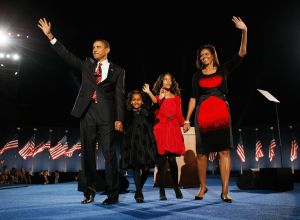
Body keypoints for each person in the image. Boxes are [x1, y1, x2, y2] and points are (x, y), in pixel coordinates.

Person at [38, 18, 125, 205]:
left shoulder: (118, 71)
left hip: (107, 117)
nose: (94, 49)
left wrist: (119, 118)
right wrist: (50, 36)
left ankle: (113, 194)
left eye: (98, 47)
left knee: (109, 155)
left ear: (107, 49)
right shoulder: (86, 65)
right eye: (93, 47)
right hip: (87, 115)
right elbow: (67, 55)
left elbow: (120, 96)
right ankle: (89, 192)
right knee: (87, 155)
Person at [183, 16, 247, 203]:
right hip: (203, 115)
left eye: (206, 54)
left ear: (213, 55)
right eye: (201, 55)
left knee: (224, 152)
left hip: (221, 114)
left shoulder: (223, 69)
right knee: (202, 153)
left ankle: (225, 191)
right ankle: (203, 187)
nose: (203, 57)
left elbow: (242, 53)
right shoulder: (196, 76)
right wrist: (187, 119)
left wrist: (244, 31)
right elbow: (193, 98)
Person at [143, 72, 185, 200]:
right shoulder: (157, 97)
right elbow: (155, 104)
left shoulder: (177, 98)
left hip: (173, 130)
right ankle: (162, 191)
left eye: (170, 80)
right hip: (160, 130)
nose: (167, 82)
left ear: (172, 83)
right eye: (165, 79)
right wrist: (150, 93)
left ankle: (176, 187)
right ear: (161, 81)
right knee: (161, 163)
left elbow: (179, 114)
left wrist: (184, 123)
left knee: (172, 161)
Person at [120, 90, 157, 203]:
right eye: (134, 100)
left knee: (146, 168)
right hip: (132, 144)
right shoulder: (127, 113)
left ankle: (138, 189)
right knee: (136, 167)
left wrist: (149, 92)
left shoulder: (146, 111)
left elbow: (156, 104)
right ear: (130, 102)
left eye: (138, 99)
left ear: (142, 101)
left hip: (146, 143)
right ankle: (139, 194)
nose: (136, 101)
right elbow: (122, 126)